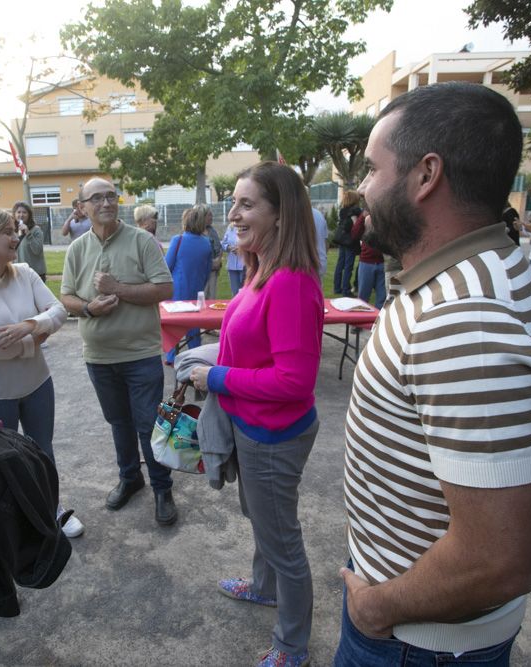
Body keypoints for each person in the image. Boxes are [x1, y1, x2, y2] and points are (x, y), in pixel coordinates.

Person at [336, 82, 531, 665]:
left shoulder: (466, 318)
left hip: (415, 641)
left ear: (425, 175)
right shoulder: (460, 281)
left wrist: (378, 607)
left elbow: (498, 561)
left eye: (371, 168)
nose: (361, 188)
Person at [189, 161, 323, 667]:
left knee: (282, 539)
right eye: (234, 203)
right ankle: (263, 587)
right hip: (252, 427)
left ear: (280, 215)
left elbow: (295, 381)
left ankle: (292, 645)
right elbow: (255, 349)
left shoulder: (289, 282)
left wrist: (216, 378)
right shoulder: (259, 269)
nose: (234, 213)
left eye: (247, 204)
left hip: (274, 434)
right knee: (262, 519)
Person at [0, 206, 84, 538]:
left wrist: (26, 327)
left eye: (15, 229)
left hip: (37, 382)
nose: (16, 236)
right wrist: (38, 338)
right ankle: (13, 521)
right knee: (1, 461)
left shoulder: (24, 272)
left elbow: (59, 310)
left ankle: (49, 508)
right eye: (7, 231)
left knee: (42, 450)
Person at [59, 178, 177, 526]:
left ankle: (162, 487)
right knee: (118, 423)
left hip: (140, 354)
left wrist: (118, 289)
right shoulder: (77, 249)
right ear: (81, 207)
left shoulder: (141, 241)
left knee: (147, 424)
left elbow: (164, 288)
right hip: (99, 357)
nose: (106, 202)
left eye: (111, 196)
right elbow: (66, 297)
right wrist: (90, 308)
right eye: (96, 198)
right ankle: (130, 478)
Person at [165, 206, 213, 362]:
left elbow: (167, 266)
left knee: (174, 327)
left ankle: (172, 357)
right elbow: (207, 270)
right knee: (194, 327)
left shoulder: (177, 240)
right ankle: (195, 357)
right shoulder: (206, 243)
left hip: (177, 291)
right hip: (196, 290)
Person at [351, 212, 386, 306]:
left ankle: (379, 318)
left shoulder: (384, 212)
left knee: (382, 298)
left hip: (382, 261)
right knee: (363, 297)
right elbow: (355, 234)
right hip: (367, 261)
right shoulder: (365, 216)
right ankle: (361, 318)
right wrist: (362, 216)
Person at [332, 190, 362, 297]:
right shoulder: (355, 211)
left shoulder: (342, 210)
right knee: (348, 266)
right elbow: (356, 226)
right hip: (350, 242)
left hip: (341, 240)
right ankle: (346, 290)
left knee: (340, 264)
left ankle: (337, 288)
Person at [13, 201, 47, 283]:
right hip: (18, 273)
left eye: (24, 212)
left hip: (35, 273)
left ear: (29, 215)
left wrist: (28, 233)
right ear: (14, 214)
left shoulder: (36, 230)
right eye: (18, 212)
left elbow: (37, 250)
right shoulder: (12, 231)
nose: (21, 215)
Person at [198, 204, 223, 298]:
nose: (212, 217)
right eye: (209, 215)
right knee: (201, 296)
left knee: (212, 297)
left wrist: (218, 260)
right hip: (201, 271)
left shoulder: (212, 230)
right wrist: (212, 262)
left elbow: (219, 248)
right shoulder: (196, 232)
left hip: (213, 271)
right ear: (202, 216)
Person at [222, 221, 246, 296]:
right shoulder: (230, 228)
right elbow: (223, 243)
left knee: (244, 293)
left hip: (244, 266)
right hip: (232, 266)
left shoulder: (248, 227)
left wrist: (242, 249)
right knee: (235, 293)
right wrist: (228, 247)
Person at [312, 207, 329, 286]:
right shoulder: (319, 214)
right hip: (320, 261)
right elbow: (325, 242)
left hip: (306, 264)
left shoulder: (294, 214)